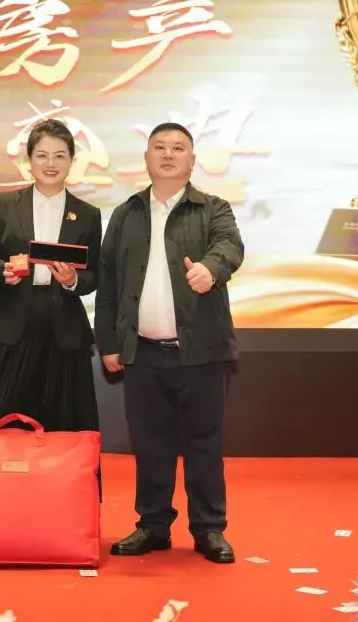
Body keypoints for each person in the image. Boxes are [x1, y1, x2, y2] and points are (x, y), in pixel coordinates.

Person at [94, 122, 244, 564]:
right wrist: (109, 342)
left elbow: (230, 246)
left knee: (204, 443)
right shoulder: (126, 214)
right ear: (146, 158)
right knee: (150, 444)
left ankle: (209, 528)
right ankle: (153, 525)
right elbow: (108, 281)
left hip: (201, 351)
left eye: (178, 148)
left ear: (192, 160)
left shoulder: (213, 208)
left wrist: (211, 269)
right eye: (159, 146)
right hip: (143, 351)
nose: (168, 154)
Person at [0, 118, 102, 435]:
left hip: (64, 329)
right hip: (11, 324)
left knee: (65, 424)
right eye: (42, 155)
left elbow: (95, 274)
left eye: (59, 156)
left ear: (72, 161)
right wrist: (2, 271)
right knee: (1, 420)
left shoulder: (88, 214)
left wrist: (72, 280)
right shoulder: (5, 204)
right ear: (29, 161)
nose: (50, 164)